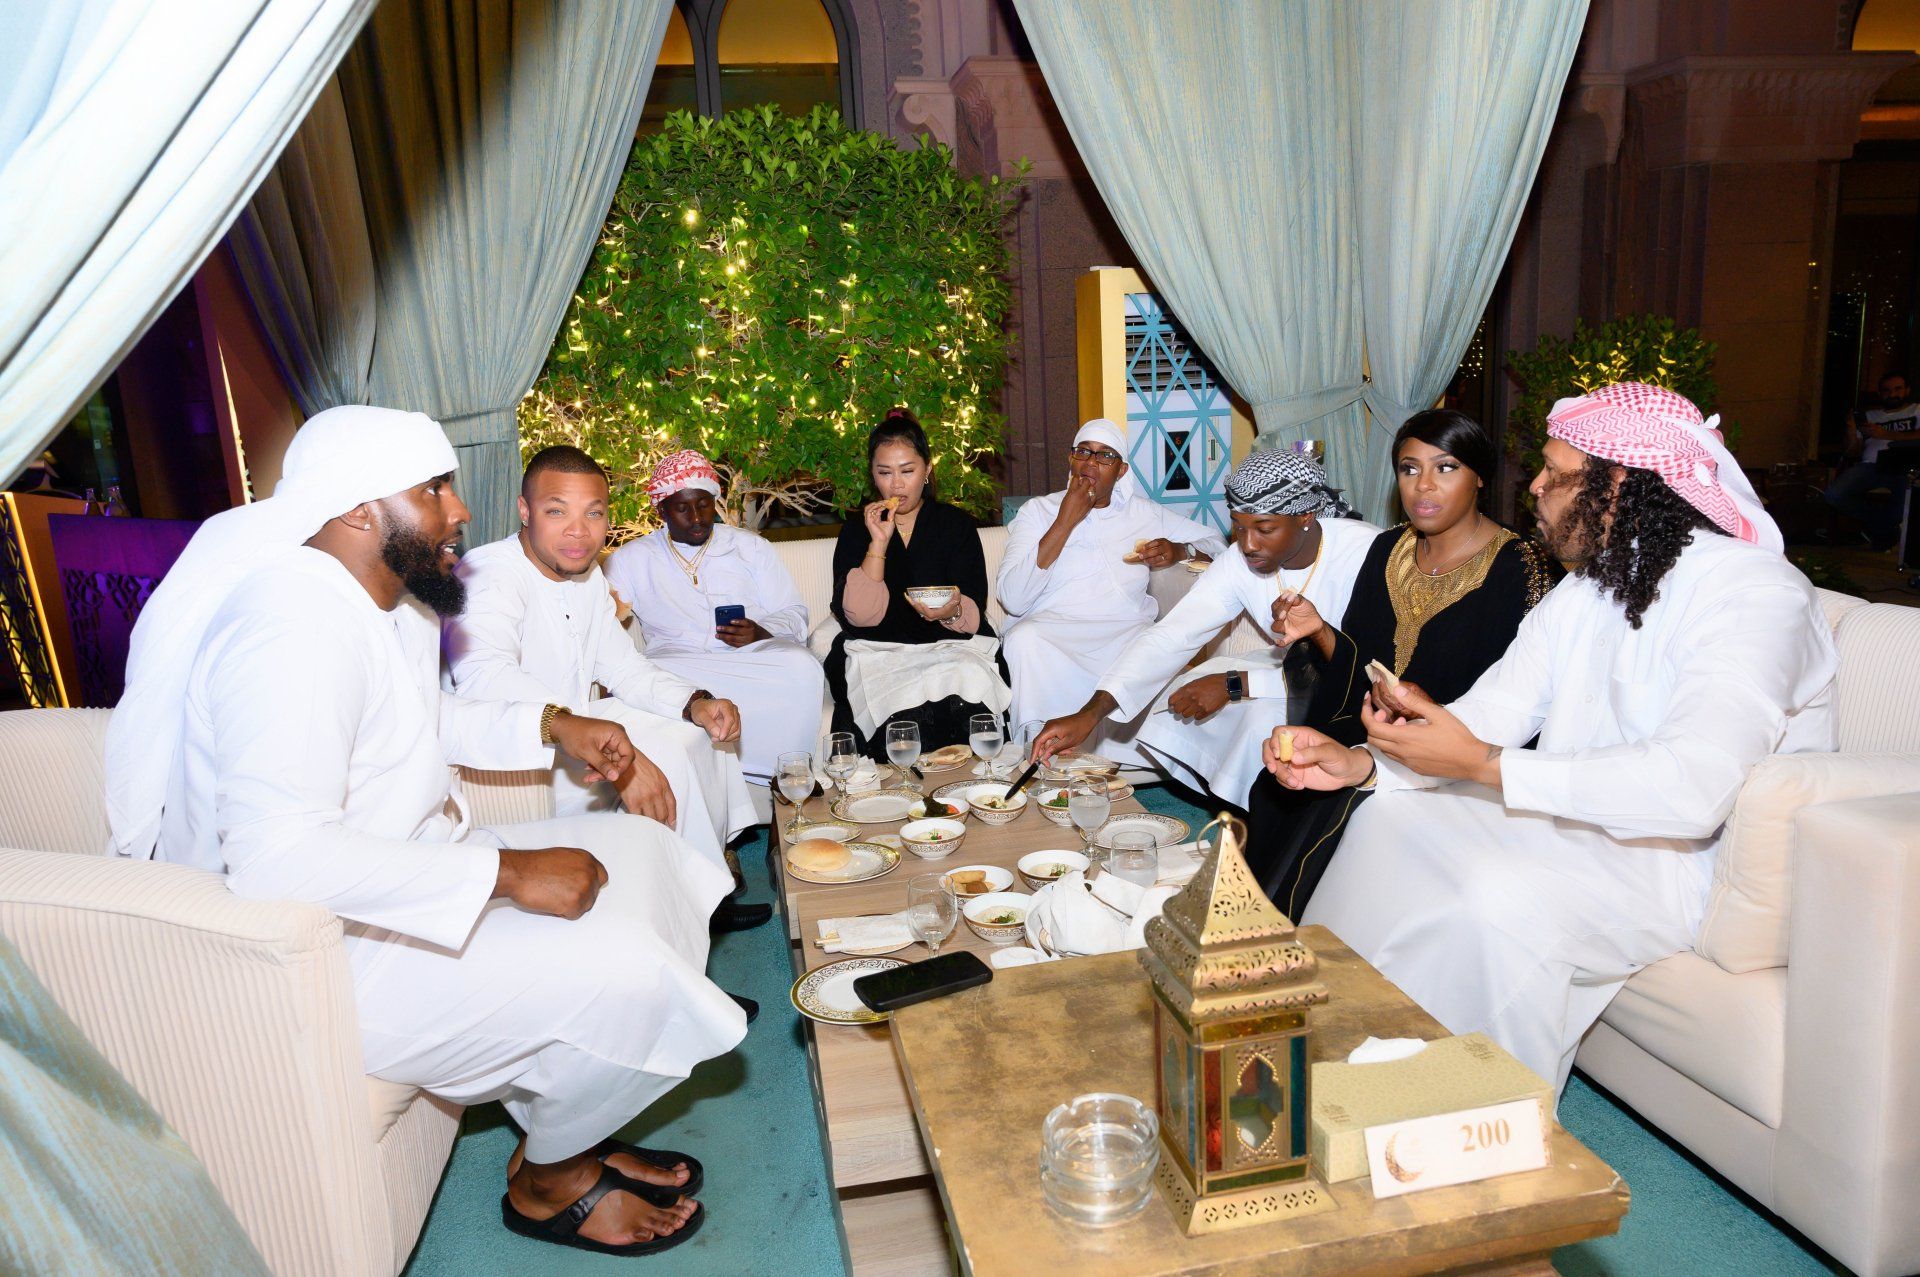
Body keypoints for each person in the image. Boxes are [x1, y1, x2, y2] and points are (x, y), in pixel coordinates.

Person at [106, 407, 745, 1257]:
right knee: (634, 974)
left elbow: (423, 721)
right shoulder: (290, 627)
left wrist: (555, 723)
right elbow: (275, 858)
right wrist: (508, 877)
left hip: (413, 878)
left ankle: (568, 1125)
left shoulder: (389, 599)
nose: (462, 510)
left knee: (654, 863)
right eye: (435, 488)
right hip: (328, 952)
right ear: (360, 509)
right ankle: (550, 1178)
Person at [1272, 382, 1837, 1095]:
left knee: (1493, 892)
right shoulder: (1593, 586)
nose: (1534, 488)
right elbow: (1492, 713)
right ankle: (1320, 1054)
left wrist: (1485, 766)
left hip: (1675, 868)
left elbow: (1694, 787)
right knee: (1389, 817)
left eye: (1554, 473)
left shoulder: (1755, 594)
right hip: (1568, 823)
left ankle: (1466, 1117)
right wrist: (1360, 763)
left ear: (1618, 484)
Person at [1244, 411, 1558, 916]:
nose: (1424, 486)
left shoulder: (1524, 567)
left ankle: (1295, 936)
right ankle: (1253, 923)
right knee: (1281, 782)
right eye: (1409, 469)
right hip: (1369, 731)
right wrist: (1320, 631)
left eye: (1446, 467)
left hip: (1454, 756)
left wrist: (1424, 718)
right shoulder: (1389, 548)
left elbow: (1527, 700)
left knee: (1334, 804)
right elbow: (1359, 660)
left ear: (1479, 475)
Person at [446, 446, 766, 933]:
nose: (579, 531)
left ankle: (700, 896)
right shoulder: (489, 575)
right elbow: (484, 680)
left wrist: (695, 702)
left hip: (582, 734)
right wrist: (613, 757)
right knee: (655, 752)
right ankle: (685, 912)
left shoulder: (586, 575)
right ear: (525, 510)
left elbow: (624, 667)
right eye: (557, 512)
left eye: (593, 514)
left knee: (693, 735)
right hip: (520, 764)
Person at [1032, 449, 1378, 809]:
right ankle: (1248, 815)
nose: (1247, 544)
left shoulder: (1367, 552)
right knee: (1180, 697)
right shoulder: (1239, 562)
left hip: (1359, 693)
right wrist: (1091, 712)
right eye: (1238, 527)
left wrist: (1235, 685)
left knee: (1260, 719)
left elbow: (1361, 668)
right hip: (1290, 676)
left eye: (1264, 529)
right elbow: (1173, 635)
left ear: (1305, 517)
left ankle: (1267, 820)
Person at [995, 419, 1226, 764]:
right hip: (1054, 630)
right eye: (1083, 452)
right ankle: (1042, 755)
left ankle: (1131, 759)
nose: (1091, 463)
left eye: (1105, 457)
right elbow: (1012, 599)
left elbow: (1219, 545)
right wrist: (1065, 520)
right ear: (1071, 459)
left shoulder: (1143, 512)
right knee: (1025, 640)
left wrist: (1180, 551)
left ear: (1121, 471)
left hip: (1124, 629)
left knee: (1154, 645)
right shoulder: (1038, 512)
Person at [604, 449, 827, 785]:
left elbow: (794, 615)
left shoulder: (750, 547)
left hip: (751, 660)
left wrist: (760, 632)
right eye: (683, 508)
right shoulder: (632, 559)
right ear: (662, 509)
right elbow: (604, 620)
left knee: (802, 666)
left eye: (704, 504)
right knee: (645, 677)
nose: (696, 517)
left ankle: (786, 776)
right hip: (681, 666)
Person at [827, 408, 1009, 759]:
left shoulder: (954, 525)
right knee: (894, 705)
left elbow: (972, 606)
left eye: (907, 471)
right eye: (885, 473)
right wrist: (878, 542)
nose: (896, 484)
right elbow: (859, 617)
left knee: (966, 685)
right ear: (873, 476)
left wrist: (952, 609)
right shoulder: (856, 530)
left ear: (927, 470)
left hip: (948, 645)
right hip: (877, 649)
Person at [1823, 370, 1917, 549]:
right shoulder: (1869, 416)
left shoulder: (1917, 410)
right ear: (1880, 393)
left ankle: (1880, 531)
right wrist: (1851, 431)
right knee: (1834, 495)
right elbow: (1852, 452)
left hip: (1905, 466)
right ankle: (1883, 527)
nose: (1893, 394)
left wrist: (1886, 434)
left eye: (1898, 389)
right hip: (1870, 466)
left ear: (1907, 390)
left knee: (1905, 499)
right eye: (1887, 390)